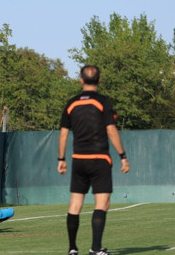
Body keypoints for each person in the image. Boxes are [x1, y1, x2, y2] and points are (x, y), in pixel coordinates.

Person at [57, 65, 130, 255]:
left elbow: (64, 134)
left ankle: (72, 249)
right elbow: (111, 130)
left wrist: (61, 158)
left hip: (78, 159)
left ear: (81, 80)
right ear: (99, 80)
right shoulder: (103, 102)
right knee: (102, 203)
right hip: (99, 159)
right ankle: (96, 249)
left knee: (75, 204)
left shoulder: (71, 103)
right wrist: (123, 156)